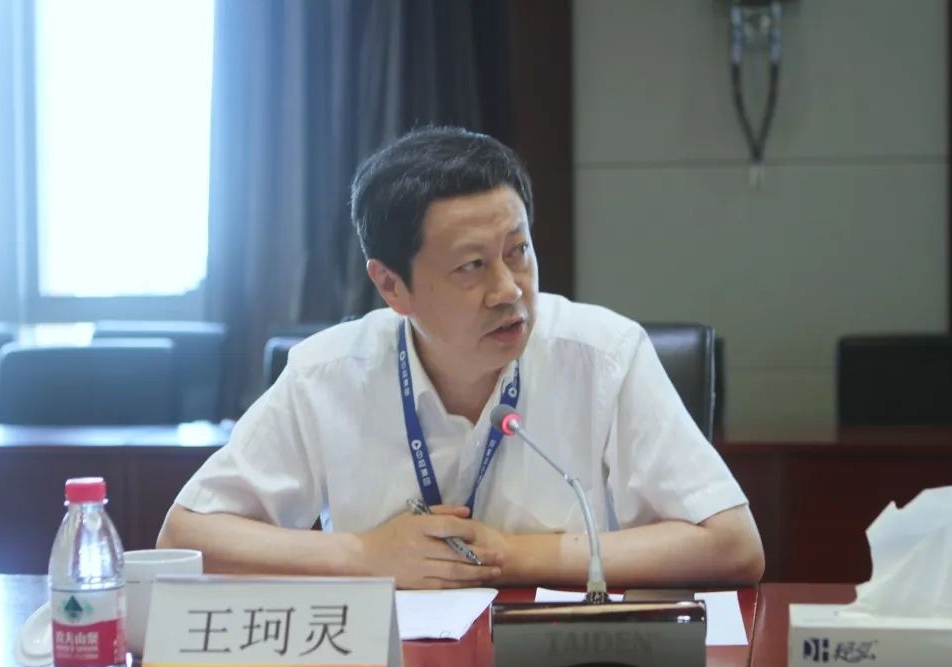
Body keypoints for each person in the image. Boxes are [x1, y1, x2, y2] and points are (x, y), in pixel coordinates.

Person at [159, 126, 764, 589]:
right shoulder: (329, 372)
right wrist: (365, 554)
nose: (508, 290)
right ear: (391, 286)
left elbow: (733, 544)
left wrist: (508, 555)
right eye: (472, 266)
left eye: (518, 251)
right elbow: (185, 537)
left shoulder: (604, 355)